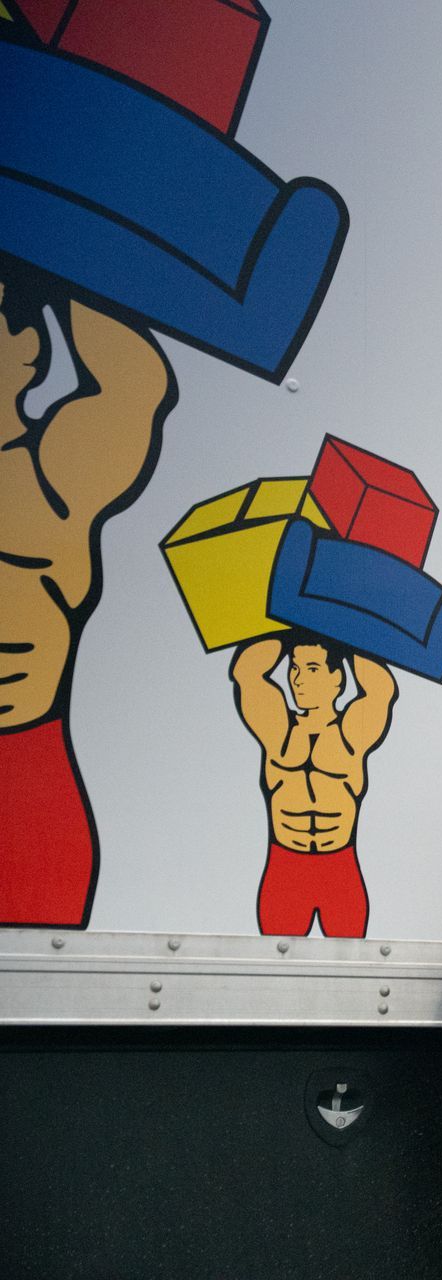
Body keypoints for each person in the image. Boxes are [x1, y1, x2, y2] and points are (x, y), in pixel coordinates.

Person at [0, 262, 173, 927]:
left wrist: (60, 227)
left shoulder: (59, 478)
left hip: (29, 777)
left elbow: (137, 381)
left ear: (28, 351)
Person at [231, 632, 396, 937]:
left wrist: (340, 628)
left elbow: (380, 690)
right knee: (275, 973)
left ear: (337, 679)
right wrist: (293, 627)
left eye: (312, 669)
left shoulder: (351, 735)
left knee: (353, 975)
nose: (298, 679)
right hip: (286, 868)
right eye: (294, 668)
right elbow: (247, 672)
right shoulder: (278, 731)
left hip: (339, 868)